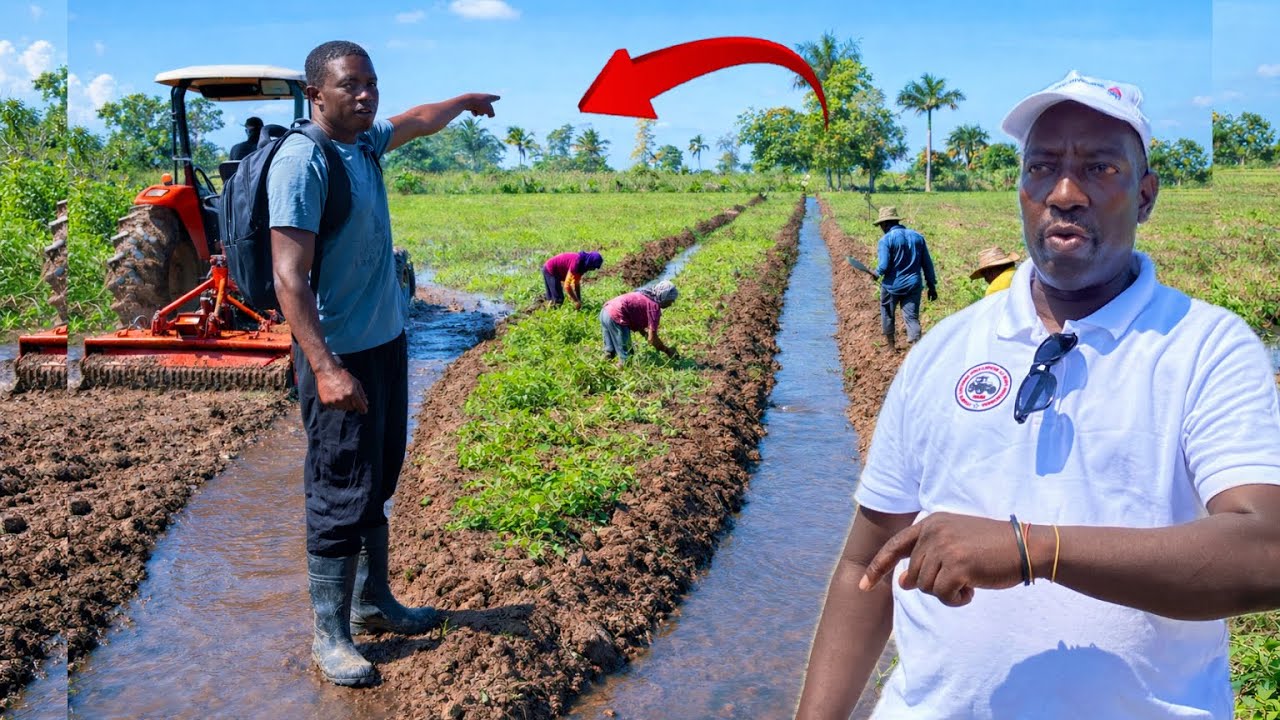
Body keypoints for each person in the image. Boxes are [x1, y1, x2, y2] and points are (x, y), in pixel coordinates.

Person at [797, 70, 1280, 719]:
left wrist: (1036, 549)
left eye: (1100, 168)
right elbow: (868, 560)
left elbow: (1266, 551)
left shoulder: (1206, 348)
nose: (1066, 192)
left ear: (1145, 194)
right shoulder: (943, 352)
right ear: (1021, 188)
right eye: (1043, 166)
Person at [268, 39, 498, 688]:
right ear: (317, 95)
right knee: (339, 488)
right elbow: (289, 278)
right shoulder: (303, 162)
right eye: (350, 85)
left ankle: (375, 604)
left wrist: (463, 101)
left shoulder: (364, 144)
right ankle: (330, 635)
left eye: (371, 82)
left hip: (384, 346)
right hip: (337, 358)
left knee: (377, 477)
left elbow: (420, 118)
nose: (366, 94)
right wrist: (327, 368)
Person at [872, 206, 938, 351]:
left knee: (888, 314)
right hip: (913, 285)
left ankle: (891, 347)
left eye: (881, 226)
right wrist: (931, 285)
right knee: (911, 317)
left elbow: (883, 266)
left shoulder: (886, 240)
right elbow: (927, 264)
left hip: (892, 286)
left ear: (885, 224)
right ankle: (917, 349)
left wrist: (875, 273)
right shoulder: (917, 237)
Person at [600, 280, 678, 364]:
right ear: (663, 296)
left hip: (605, 311)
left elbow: (636, 314)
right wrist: (667, 350)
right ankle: (622, 371)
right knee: (627, 357)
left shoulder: (645, 295)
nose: (671, 303)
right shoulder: (654, 307)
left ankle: (603, 369)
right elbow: (652, 338)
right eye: (670, 300)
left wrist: (644, 333)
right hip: (617, 315)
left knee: (609, 351)